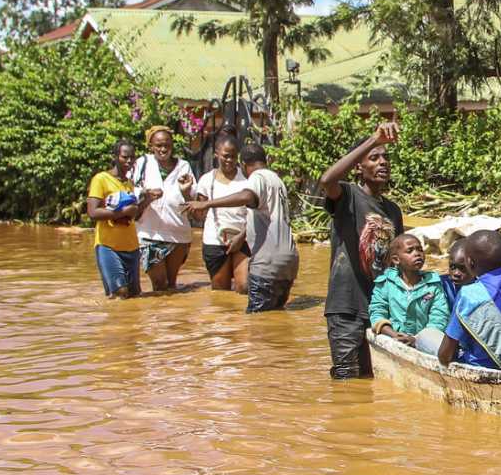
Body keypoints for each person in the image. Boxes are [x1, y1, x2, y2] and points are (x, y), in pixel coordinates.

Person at [319, 121, 405, 379]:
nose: (383, 162)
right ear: (359, 167)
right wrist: (373, 139)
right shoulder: (348, 196)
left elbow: (396, 264)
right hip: (346, 307)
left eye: (386, 157)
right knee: (347, 381)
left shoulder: (393, 211)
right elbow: (327, 179)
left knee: (372, 379)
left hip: (379, 309)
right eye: (374, 158)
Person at [189, 139, 298, 312]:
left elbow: (247, 196)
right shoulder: (277, 180)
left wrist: (208, 204)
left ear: (243, 163)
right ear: (266, 159)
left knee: (257, 321)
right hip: (288, 261)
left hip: (267, 262)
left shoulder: (257, 177)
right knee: (276, 315)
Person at [436, 229, 501, 373]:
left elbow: (444, 355)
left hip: (482, 371)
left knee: (426, 337)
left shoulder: (469, 295)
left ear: (470, 263)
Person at [85, 139, 154, 299]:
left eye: (132, 158)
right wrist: (122, 211)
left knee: (134, 295)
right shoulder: (101, 179)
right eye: (124, 157)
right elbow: (93, 212)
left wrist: (147, 200)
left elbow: (133, 216)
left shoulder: (130, 184)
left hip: (131, 247)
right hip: (108, 246)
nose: (129, 161)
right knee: (119, 293)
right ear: (115, 157)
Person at [132, 125, 197, 292]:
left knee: (171, 286)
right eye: (158, 145)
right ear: (151, 146)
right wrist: (147, 197)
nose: (163, 149)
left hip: (179, 235)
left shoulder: (183, 166)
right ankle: (157, 318)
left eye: (167, 145)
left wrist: (186, 191)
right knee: (159, 285)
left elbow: (192, 204)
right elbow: (131, 195)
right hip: (148, 234)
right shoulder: (143, 164)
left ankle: (171, 317)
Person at [191, 130, 253, 289]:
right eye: (226, 156)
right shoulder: (206, 180)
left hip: (243, 239)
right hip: (215, 241)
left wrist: (241, 237)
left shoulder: (247, 180)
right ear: (216, 154)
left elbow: (254, 214)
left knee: (244, 287)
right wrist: (186, 193)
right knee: (220, 290)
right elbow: (199, 216)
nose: (230, 160)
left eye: (233, 156)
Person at [369, 233, 449, 345]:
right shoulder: (386, 283)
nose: (417, 254)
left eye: (420, 249)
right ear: (396, 260)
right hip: (392, 339)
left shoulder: (433, 284)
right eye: (410, 251)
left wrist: (417, 340)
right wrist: (394, 335)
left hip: (423, 342)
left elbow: (439, 316)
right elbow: (377, 311)